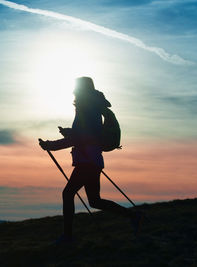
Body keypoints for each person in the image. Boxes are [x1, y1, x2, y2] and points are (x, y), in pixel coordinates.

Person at [39, 77, 142, 244]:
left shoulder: (86, 108)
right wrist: (69, 133)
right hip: (92, 159)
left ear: (80, 89)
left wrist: (51, 145)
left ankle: (68, 237)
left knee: (68, 193)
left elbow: (82, 137)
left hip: (87, 160)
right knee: (94, 201)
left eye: (75, 87)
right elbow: (85, 135)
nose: (73, 90)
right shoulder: (92, 107)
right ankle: (133, 216)